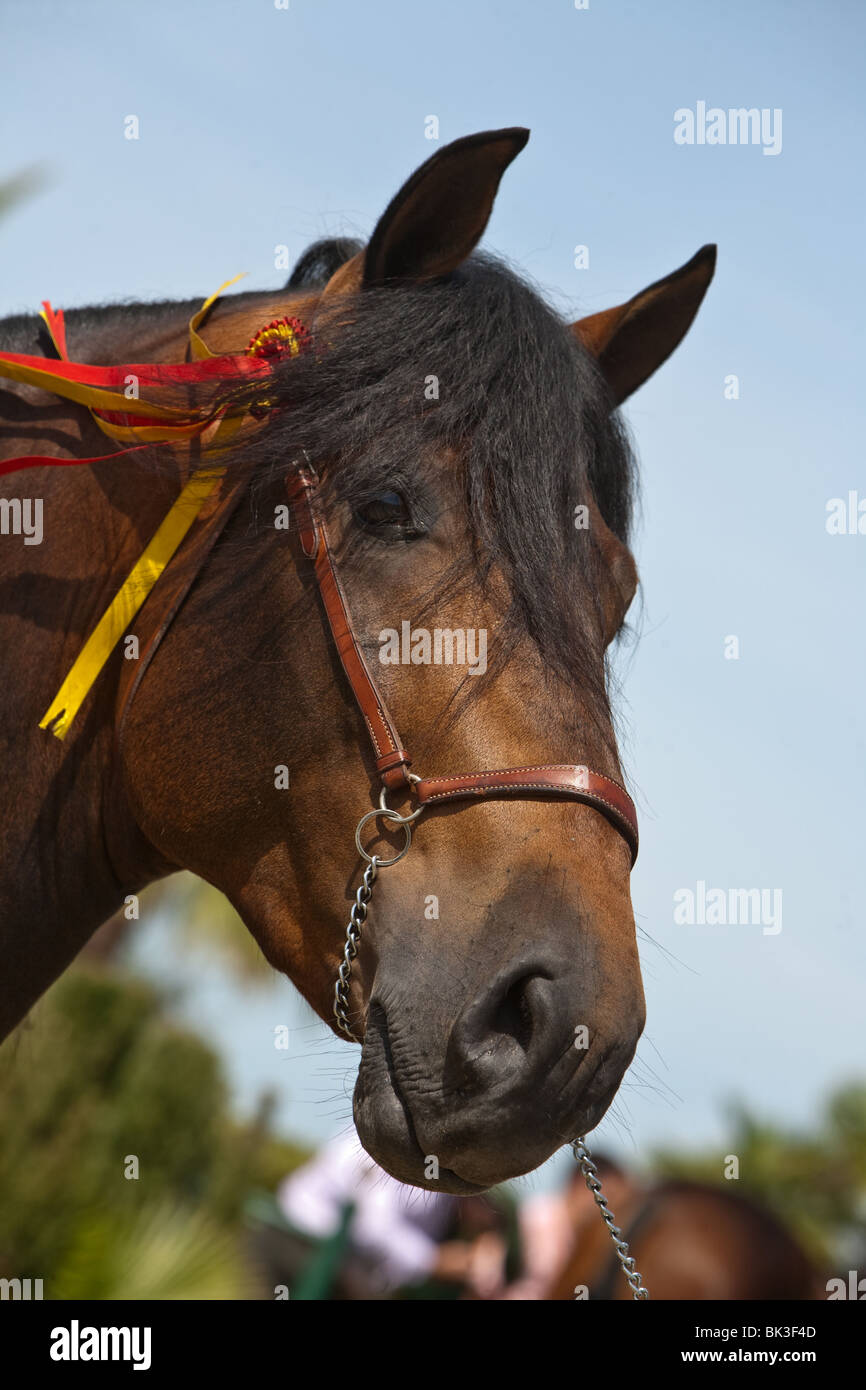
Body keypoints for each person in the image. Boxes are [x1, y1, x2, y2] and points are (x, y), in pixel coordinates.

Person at [272, 1131, 506, 1299]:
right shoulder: (408, 1150)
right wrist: (434, 1261)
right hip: (298, 1242)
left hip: (331, 1254)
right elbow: (372, 1227)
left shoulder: (448, 1182)